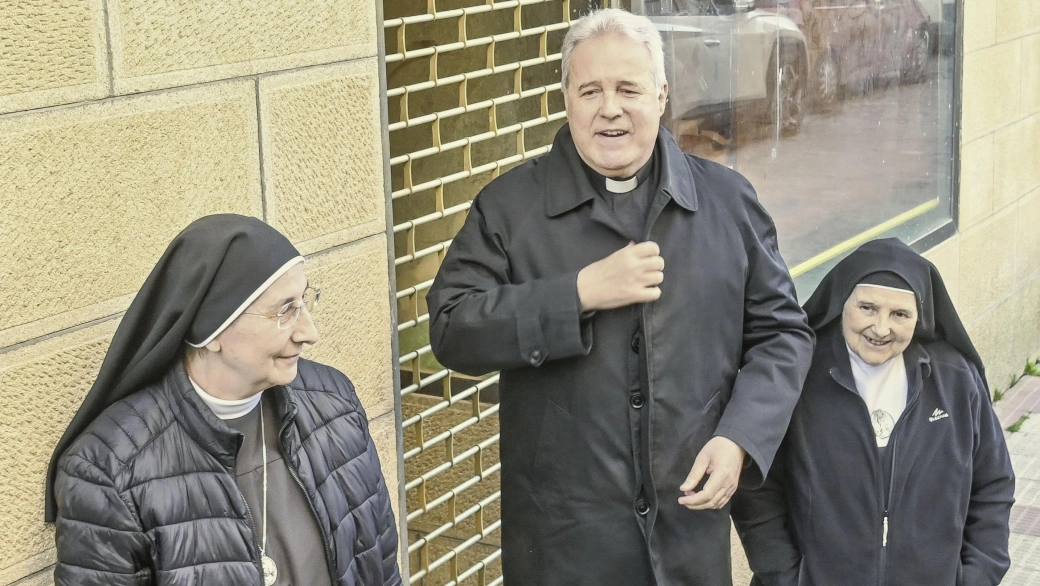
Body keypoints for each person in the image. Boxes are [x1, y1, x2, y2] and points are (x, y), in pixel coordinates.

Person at [425, 8, 814, 585]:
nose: (610, 108)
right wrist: (576, 293)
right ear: (566, 99)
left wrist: (740, 438)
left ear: (661, 95)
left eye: (628, 88)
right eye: (590, 90)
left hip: (688, 533)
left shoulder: (728, 203)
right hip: (563, 542)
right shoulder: (509, 209)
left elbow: (783, 333)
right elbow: (452, 329)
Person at [45, 214, 402, 586]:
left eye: (306, 300)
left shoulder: (335, 402)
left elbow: (383, 567)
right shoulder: (109, 470)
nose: (309, 332)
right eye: (285, 311)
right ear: (210, 329)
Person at [733, 238, 1015, 586]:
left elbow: (993, 484)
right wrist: (788, 577)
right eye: (867, 307)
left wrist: (975, 576)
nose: (881, 328)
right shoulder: (797, 377)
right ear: (842, 302)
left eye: (900, 314)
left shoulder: (955, 380)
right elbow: (756, 490)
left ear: (920, 317)